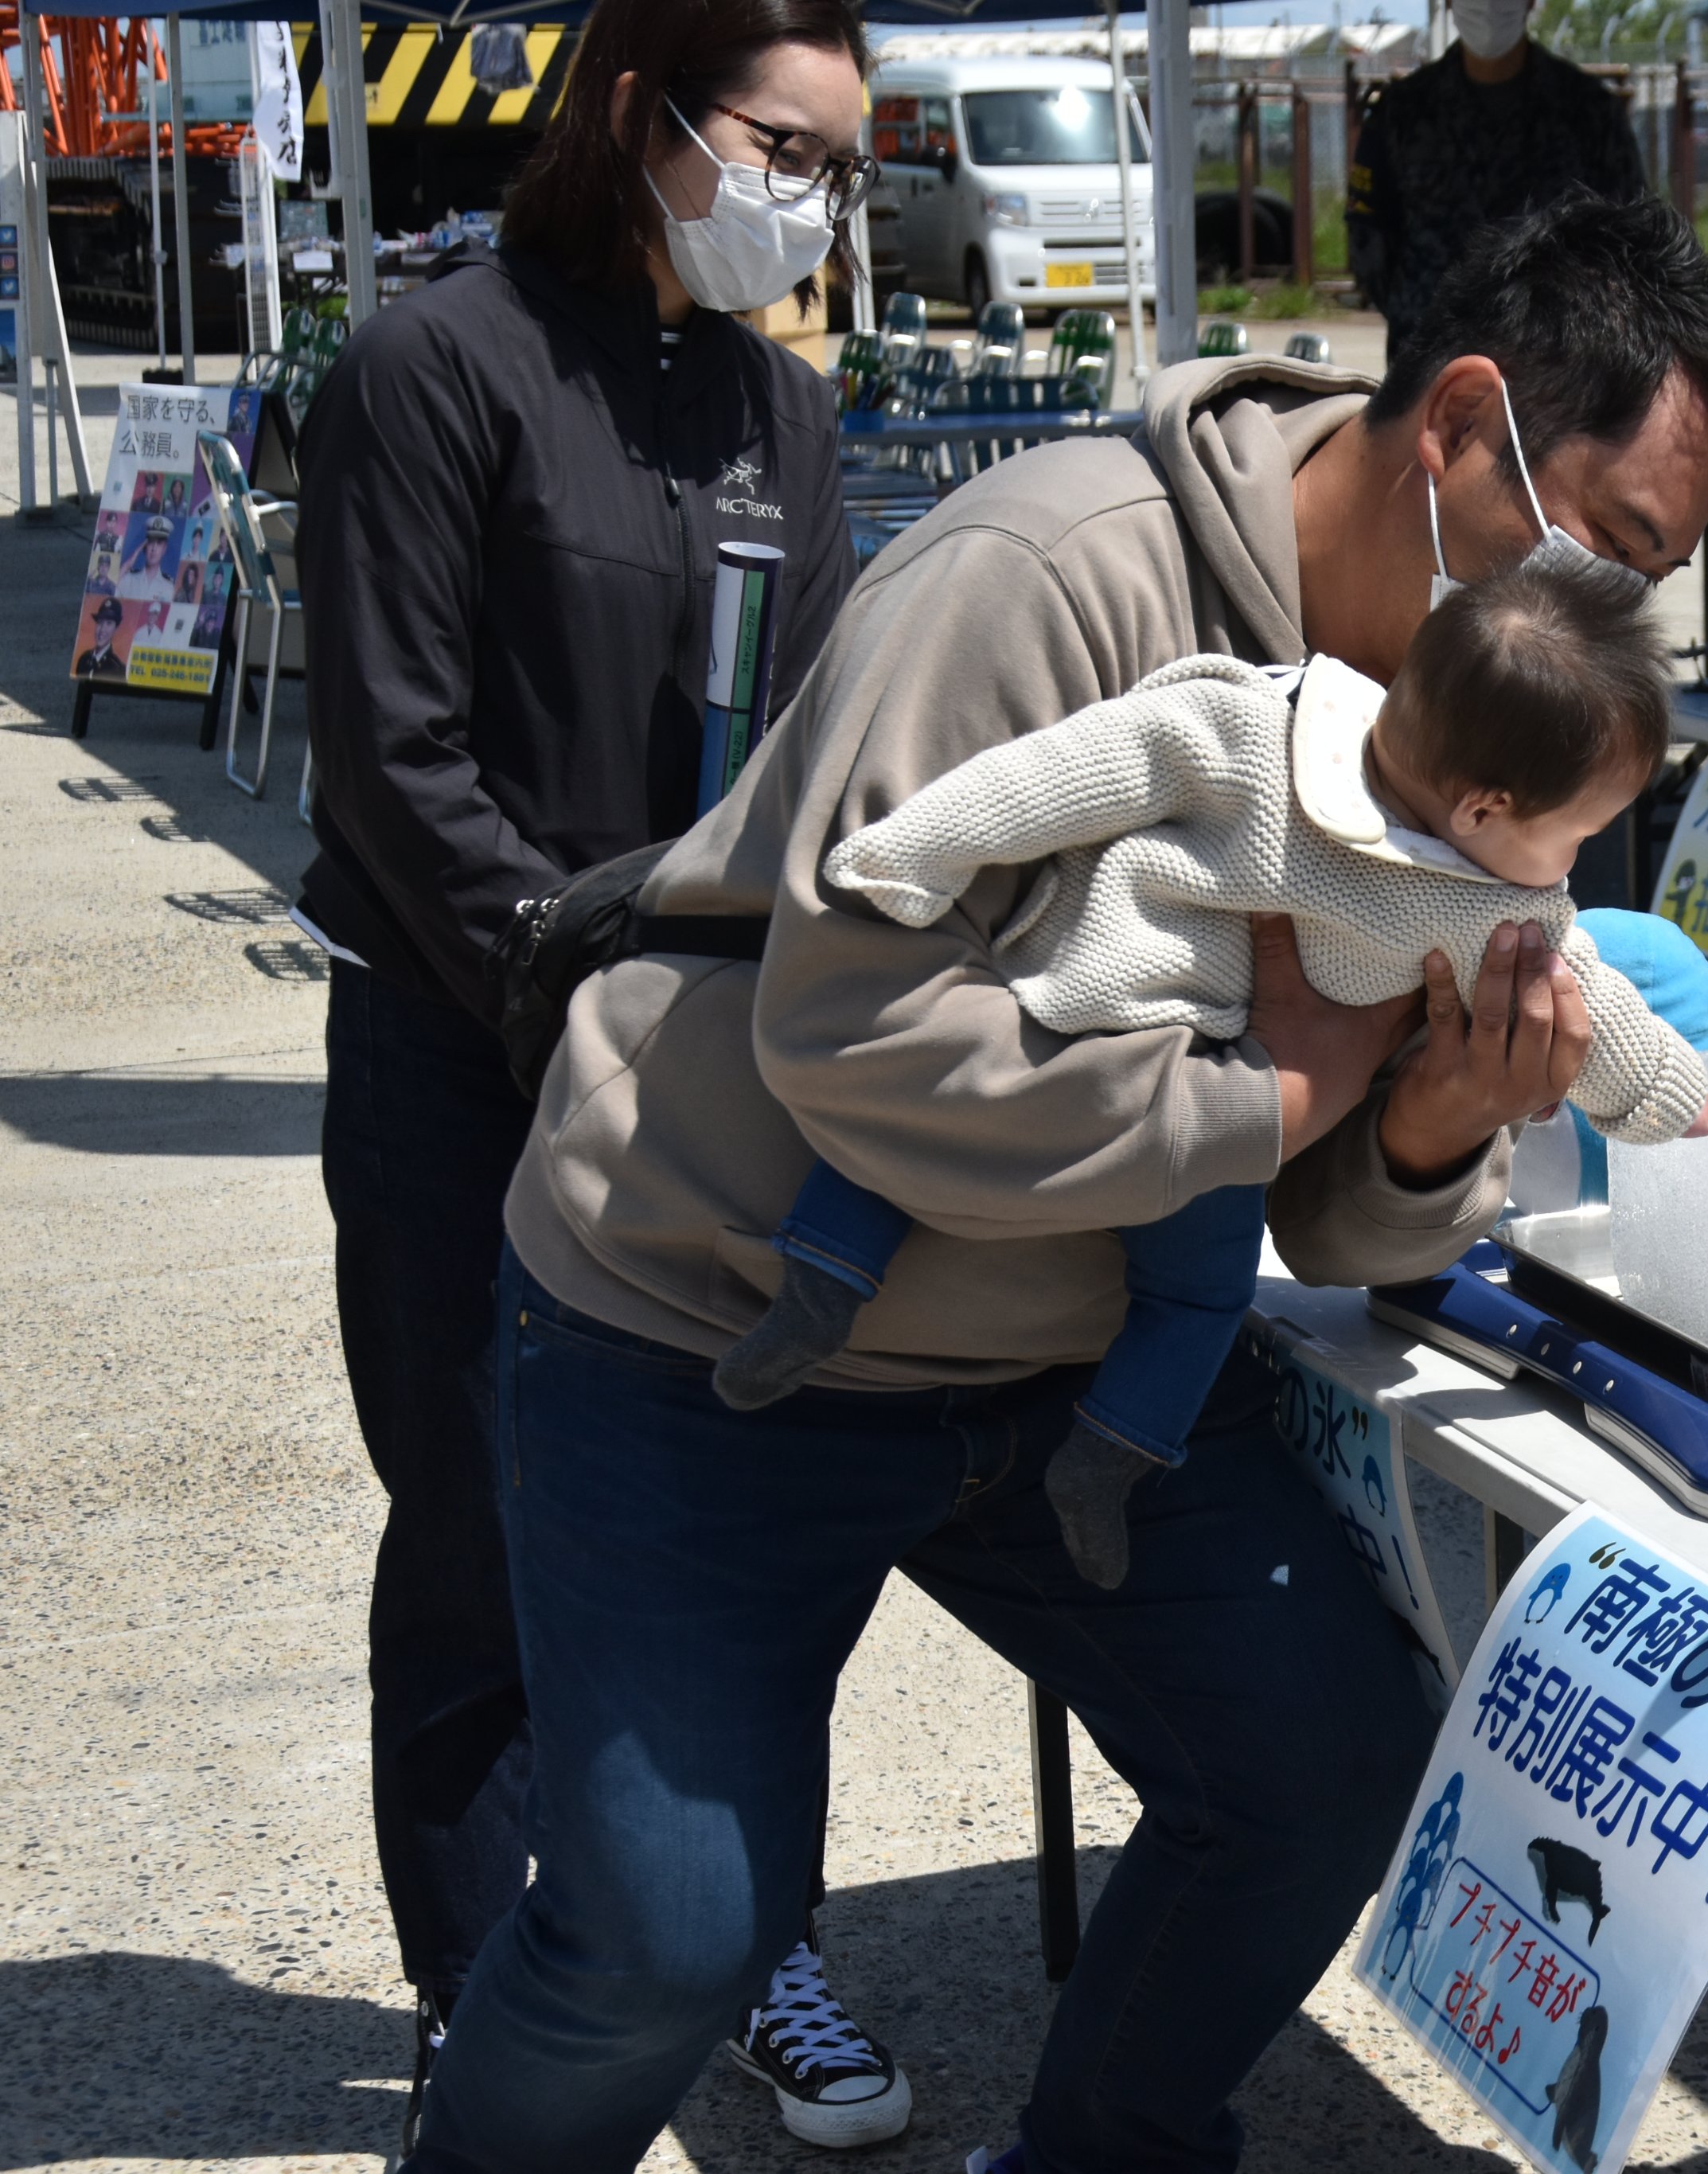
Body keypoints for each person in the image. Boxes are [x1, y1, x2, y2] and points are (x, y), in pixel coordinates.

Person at [404, 189, 1708, 2174]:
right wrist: (1274, 1100)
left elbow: (1332, 1206)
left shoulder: (1493, 739)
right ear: (1462, 427)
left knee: (1327, 1770)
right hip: (707, 1326)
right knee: (663, 1941)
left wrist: (1421, 1129)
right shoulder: (1047, 577)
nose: (1616, 618)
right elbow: (854, 1027)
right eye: (1610, 546)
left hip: (1080, 1361)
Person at [287, 0, 905, 2152]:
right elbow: (392, 755)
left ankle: (752, 1944)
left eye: (845, 164)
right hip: (465, 1056)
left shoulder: (782, 414)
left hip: (701, 1068)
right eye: (783, 147)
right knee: (480, 1529)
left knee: (725, 1528)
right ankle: (489, 1991)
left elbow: (824, 759)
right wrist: (561, 992)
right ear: (640, 117)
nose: (810, 200)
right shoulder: (433, 368)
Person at [708, 567, 1708, 1587]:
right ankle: (1075, 1434)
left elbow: (1602, 1009)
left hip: (1173, 1068)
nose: (1572, 866)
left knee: (932, 1172)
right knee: (1170, 1284)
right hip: (1142, 1041)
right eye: (1576, 833)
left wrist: (1670, 1090)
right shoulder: (1274, 742)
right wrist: (913, 851)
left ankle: (1023, 1422)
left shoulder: (1430, 848)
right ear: (1483, 808)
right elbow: (1070, 773)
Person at [1345, 0, 1648, 349]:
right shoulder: (1400, 113)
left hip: (1556, 364)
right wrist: (1420, 309)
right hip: (1429, 359)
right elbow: (1370, 241)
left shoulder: (1591, 115)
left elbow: (1630, 239)